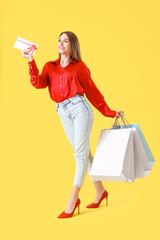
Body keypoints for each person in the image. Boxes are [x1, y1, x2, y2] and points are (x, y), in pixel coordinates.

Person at [22, 31, 124, 219]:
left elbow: (93, 92)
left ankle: (73, 200)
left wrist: (108, 112)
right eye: (59, 40)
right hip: (62, 111)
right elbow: (38, 83)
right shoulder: (49, 66)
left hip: (80, 110)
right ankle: (101, 192)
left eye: (65, 41)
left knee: (79, 155)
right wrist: (31, 60)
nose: (61, 43)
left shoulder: (80, 68)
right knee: (84, 154)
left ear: (72, 45)